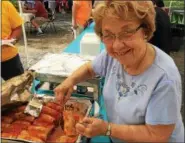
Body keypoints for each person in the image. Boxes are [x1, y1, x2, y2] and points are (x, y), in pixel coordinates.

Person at [54, 1, 184, 142]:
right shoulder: (111, 56)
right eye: (108, 35)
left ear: (145, 31)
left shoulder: (164, 77)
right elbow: (90, 68)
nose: (117, 45)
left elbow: (157, 135)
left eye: (127, 33)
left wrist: (107, 129)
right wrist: (70, 81)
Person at [1, 1, 24, 80]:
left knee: (19, 89)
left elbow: (17, 28)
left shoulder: (5, 5)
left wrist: (11, 41)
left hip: (8, 58)